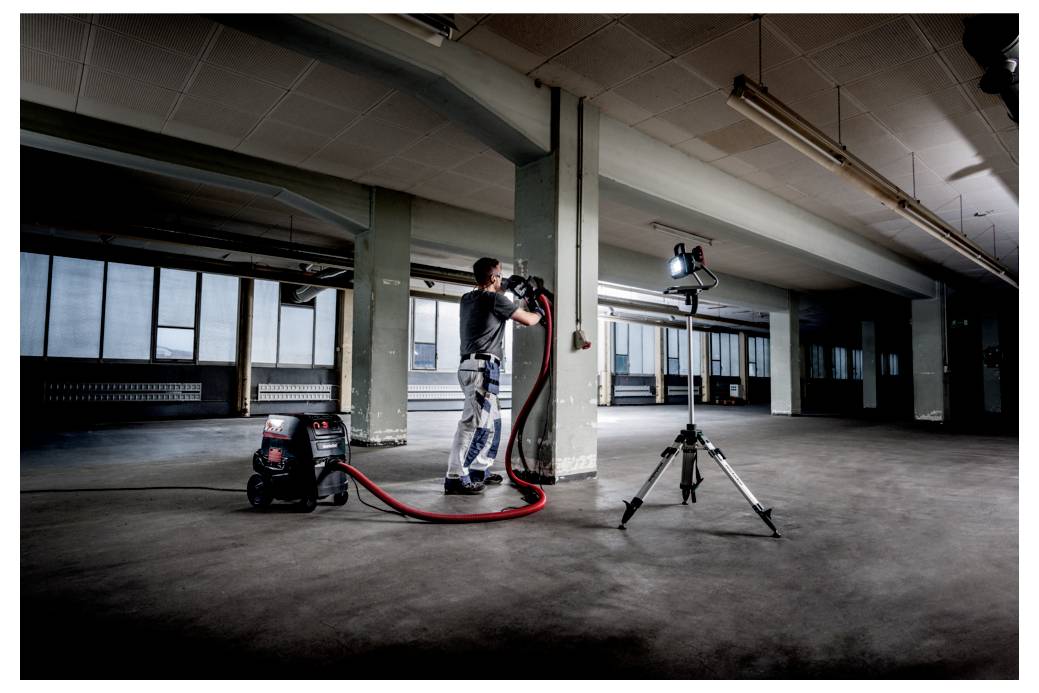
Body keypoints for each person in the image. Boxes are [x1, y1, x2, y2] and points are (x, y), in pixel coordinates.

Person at [445, 257, 543, 495]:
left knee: (492, 424)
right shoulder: (495, 300)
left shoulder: (468, 298)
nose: (502, 279)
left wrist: (506, 283)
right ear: (492, 277)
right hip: (481, 369)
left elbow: (493, 288)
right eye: (499, 274)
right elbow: (529, 320)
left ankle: (479, 470)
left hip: (475, 367)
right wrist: (538, 309)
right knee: (474, 424)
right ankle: (456, 476)